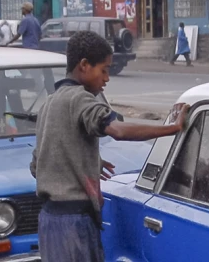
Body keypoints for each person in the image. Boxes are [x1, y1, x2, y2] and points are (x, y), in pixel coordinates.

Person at [31, 30, 189, 262]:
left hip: (49, 222)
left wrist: (83, 161)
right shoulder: (80, 98)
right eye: (103, 70)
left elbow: (38, 164)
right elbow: (118, 130)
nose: (106, 78)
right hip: (74, 223)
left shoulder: (48, 104)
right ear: (84, 65)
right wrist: (172, 128)